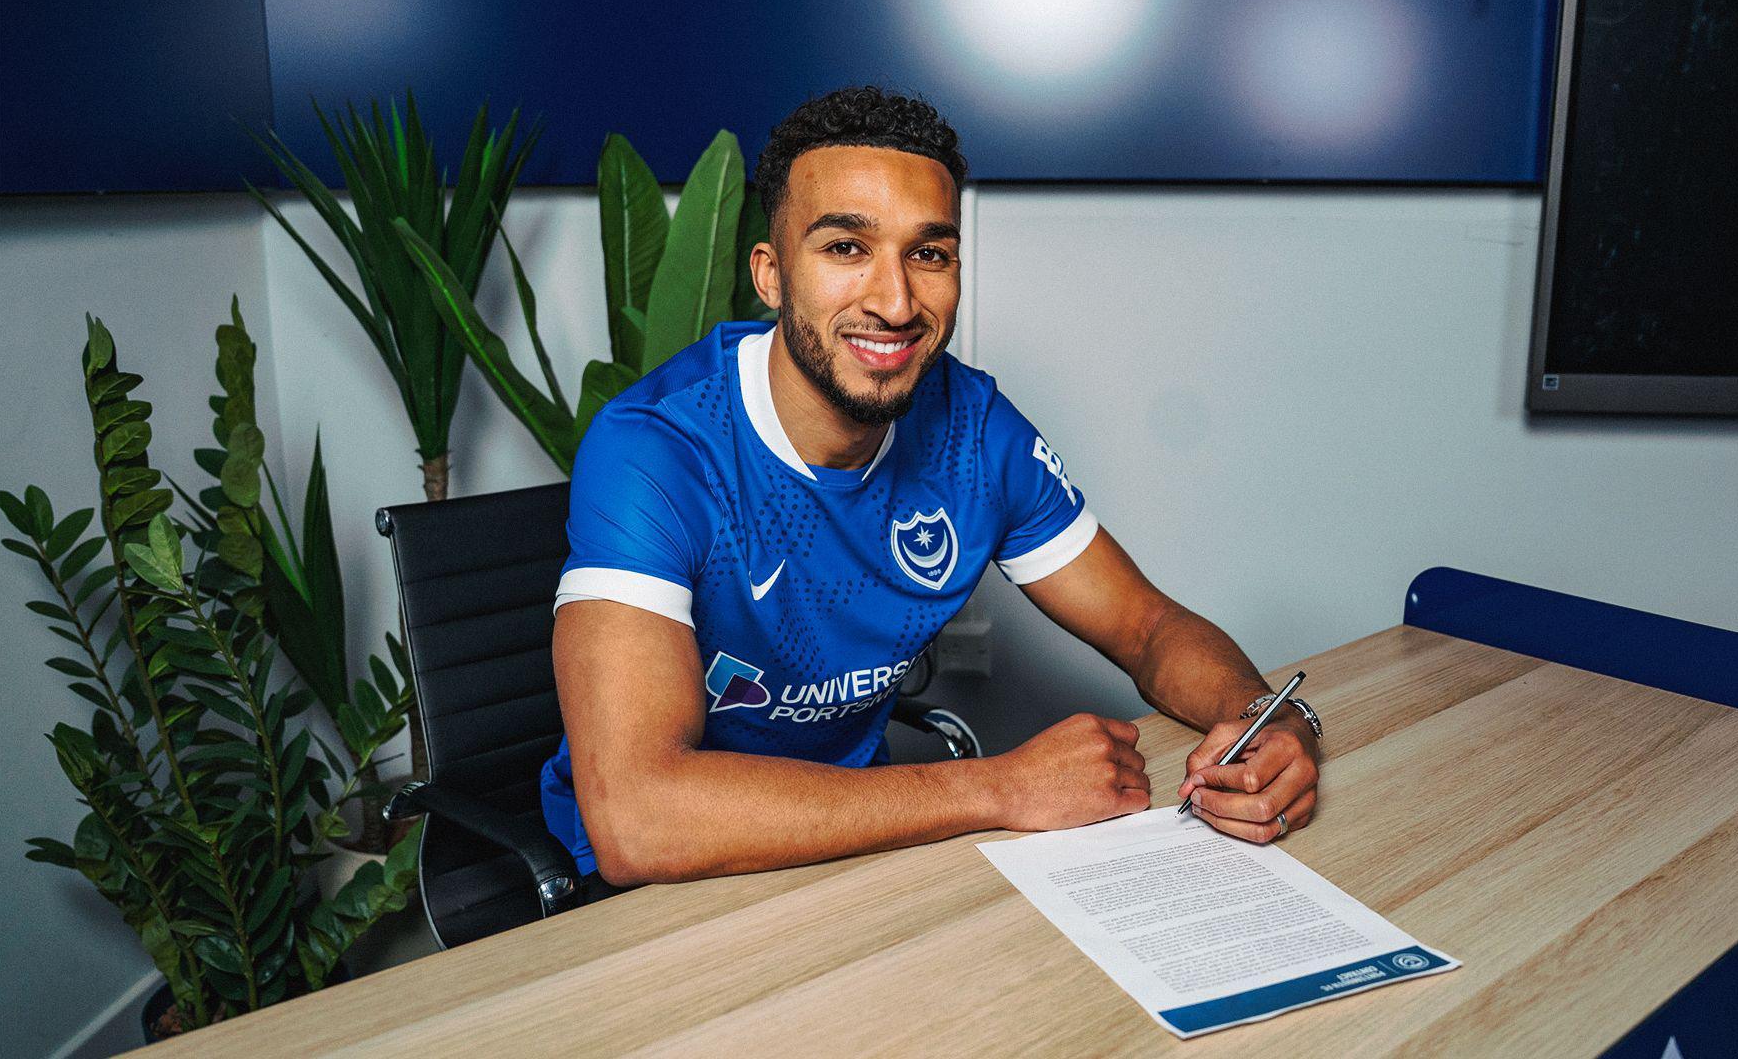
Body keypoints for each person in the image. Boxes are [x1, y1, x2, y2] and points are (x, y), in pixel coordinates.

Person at [541, 86, 1321, 896]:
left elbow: (1147, 623)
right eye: (846, 248)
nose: (895, 302)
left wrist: (1266, 717)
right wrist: (998, 787)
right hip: (664, 888)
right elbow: (637, 818)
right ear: (770, 277)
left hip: (858, 848)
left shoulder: (975, 429)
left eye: (929, 253)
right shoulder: (659, 449)